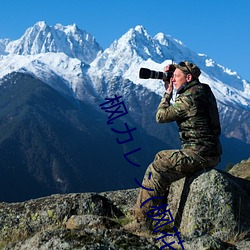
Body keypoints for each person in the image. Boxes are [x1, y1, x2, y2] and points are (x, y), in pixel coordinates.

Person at [127, 61, 222, 232]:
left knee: (156, 168)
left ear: (188, 77)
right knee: (160, 155)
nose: (173, 79)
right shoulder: (203, 90)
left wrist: (167, 93)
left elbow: (161, 116)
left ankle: (142, 224)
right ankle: (158, 214)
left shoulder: (188, 98)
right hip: (209, 152)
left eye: (176, 76)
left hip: (199, 154)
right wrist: (176, 75)